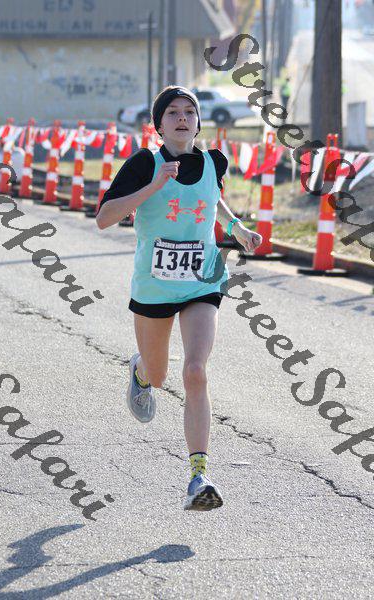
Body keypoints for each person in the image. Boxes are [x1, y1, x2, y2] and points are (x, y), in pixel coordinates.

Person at [96, 85, 262, 511]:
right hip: (154, 286)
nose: (182, 117)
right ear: (159, 124)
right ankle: (140, 371)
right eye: (172, 112)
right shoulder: (143, 164)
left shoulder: (213, 161)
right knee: (159, 375)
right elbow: (104, 218)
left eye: (190, 111)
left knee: (195, 370)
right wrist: (153, 186)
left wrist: (237, 228)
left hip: (203, 280)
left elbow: (213, 198)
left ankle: (198, 476)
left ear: (198, 122)